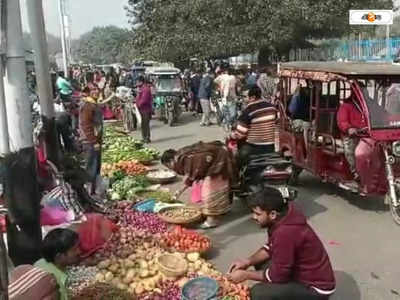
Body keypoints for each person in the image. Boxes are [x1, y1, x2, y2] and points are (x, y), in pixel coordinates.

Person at [227, 187, 336, 300]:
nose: (254, 217)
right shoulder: (284, 216)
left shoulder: (285, 233)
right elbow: (270, 247)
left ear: (273, 214)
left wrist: (246, 274)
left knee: (258, 293)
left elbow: (278, 276)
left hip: (316, 289)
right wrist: (247, 261)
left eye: (257, 214)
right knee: (260, 262)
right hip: (302, 273)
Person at [161, 141, 238, 229]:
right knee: (216, 187)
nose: (172, 169)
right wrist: (179, 191)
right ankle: (220, 210)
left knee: (210, 192)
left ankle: (212, 220)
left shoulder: (186, 158)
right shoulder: (182, 155)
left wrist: (179, 192)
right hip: (217, 156)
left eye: (168, 166)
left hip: (219, 161)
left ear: (171, 161)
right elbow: (191, 175)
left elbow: (192, 175)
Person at [230, 86, 278, 167]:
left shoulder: (249, 111)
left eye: (244, 97)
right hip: (271, 146)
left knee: (236, 159)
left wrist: (231, 135)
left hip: (255, 147)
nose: (243, 99)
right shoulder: (272, 107)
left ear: (252, 97)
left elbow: (240, 134)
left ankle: (239, 178)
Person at [35, 228, 81, 300]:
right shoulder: (57, 283)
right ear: (59, 257)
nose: (79, 252)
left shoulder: (40, 262)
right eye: (74, 250)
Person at [79, 86, 103, 195]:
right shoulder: (87, 106)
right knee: (91, 168)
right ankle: (89, 194)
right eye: (93, 91)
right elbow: (86, 125)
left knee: (95, 167)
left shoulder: (93, 104)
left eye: (97, 90)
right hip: (90, 142)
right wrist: (94, 142)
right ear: (88, 93)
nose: (96, 92)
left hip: (94, 140)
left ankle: (93, 192)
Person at [337, 94, 367, 181]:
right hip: (352, 136)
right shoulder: (345, 106)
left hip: (368, 134)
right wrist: (349, 128)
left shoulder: (367, 105)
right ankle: (355, 172)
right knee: (350, 147)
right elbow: (342, 121)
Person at [136, 76, 153, 143]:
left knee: (146, 124)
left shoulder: (146, 89)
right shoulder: (141, 88)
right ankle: (144, 137)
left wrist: (138, 104)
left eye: (137, 82)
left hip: (146, 109)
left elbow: (144, 100)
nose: (136, 83)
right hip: (142, 109)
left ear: (141, 82)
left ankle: (147, 138)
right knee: (143, 124)